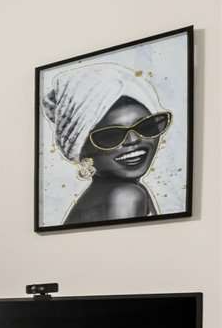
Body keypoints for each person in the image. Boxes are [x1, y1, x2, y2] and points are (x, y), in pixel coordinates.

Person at [42, 62, 172, 225]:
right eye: (111, 136)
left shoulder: (100, 195)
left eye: (146, 127)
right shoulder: (125, 196)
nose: (133, 140)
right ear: (81, 150)